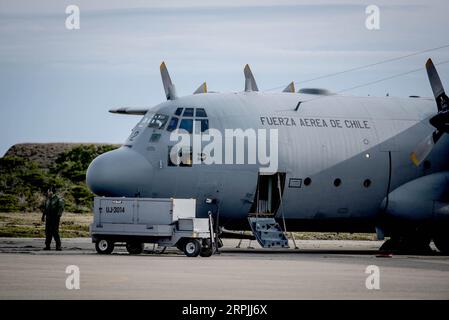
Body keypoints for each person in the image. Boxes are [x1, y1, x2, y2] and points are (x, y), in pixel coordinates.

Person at [41, 186, 64, 251]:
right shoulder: (48, 199)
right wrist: (43, 216)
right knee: (48, 232)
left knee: (55, 232)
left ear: (51, 191)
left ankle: (58, 246)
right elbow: (45, 208)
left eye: (48, 191)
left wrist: (58, 216)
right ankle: (47, 246)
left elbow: (61, 208)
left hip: (55, 217)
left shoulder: (58, 198)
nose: (47, 192)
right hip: (48, 218)